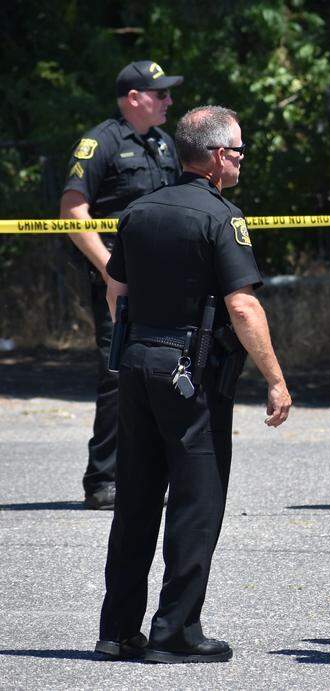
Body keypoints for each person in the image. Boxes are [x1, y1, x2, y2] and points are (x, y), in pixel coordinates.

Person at [95, 106, 291, 663]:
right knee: (196, 500)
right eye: (240, 152)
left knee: (135, 497)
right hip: (191, 372)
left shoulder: (137, 211)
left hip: (135, 363)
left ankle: (117, 631)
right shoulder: (221, 217)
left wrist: (136, 342)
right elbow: (243, 305)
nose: (242, 161)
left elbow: (117, 290)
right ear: (216, 157)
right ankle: (175, 631)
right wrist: (275, 379)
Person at [60, 60, 183, 510]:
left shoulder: (165, 144)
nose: (169, 101)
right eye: (161, 94)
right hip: (120, 279)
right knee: (118, 375)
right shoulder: (100, 142)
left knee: (167, 370)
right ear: (135, 98)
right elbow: (73, 213)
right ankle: (103, 479)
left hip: (168, 278)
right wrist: (112, 270)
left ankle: (153, 472)